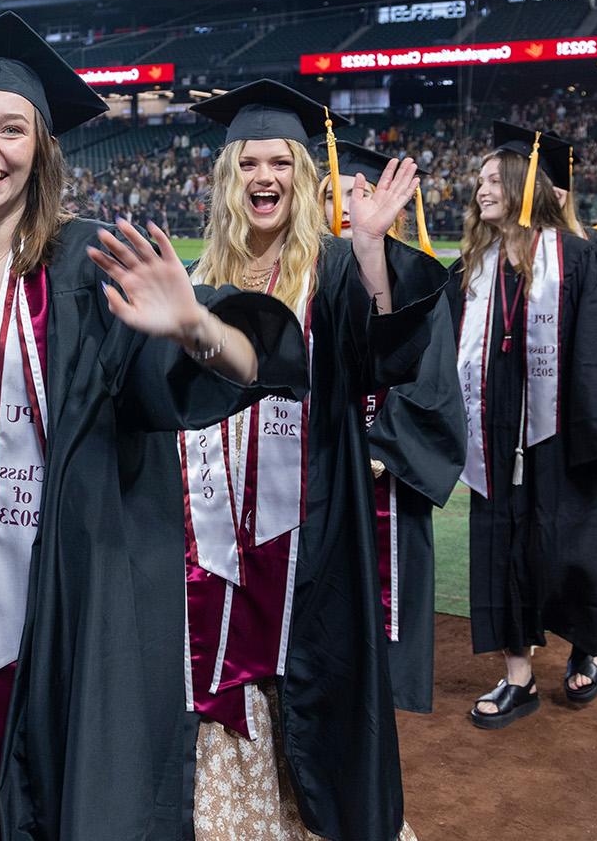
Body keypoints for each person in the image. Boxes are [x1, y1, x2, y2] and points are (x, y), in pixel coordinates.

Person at [0, 21, 308, 841]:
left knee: (46, 788)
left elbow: (236, 367)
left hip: (54, 601)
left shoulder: (80, 265)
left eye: (12, 129)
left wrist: (196, 328)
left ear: (42, 149)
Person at [181, 79, 446, 840]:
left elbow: (378, 359)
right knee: (229, 685)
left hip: (309, 532)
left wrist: (369, 252)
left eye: (280, 163)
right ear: (230, 179)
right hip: (220, 536)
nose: (264, 178)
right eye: (249, 164)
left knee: (312, 696)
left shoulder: (328, 269)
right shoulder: (211, 276)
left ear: (302, 174)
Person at [457, 120, 597, 729]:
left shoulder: (583, 258)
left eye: (492, 180)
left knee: (570, 547)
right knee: (504, 549)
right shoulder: (476, 265)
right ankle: (518, 678)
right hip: (495, 430)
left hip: (566, 433)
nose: (481, 189)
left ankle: (587, 642)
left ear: (522, 184)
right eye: (479, 180)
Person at [320, 138, 466, 714]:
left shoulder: (419, 286)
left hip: (385, 474)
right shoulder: (307, 278)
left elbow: (430, 384)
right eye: (330, 194)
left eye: (356, 193)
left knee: (384, 623)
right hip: (320, 472)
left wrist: (376, 445)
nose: (343, 206)